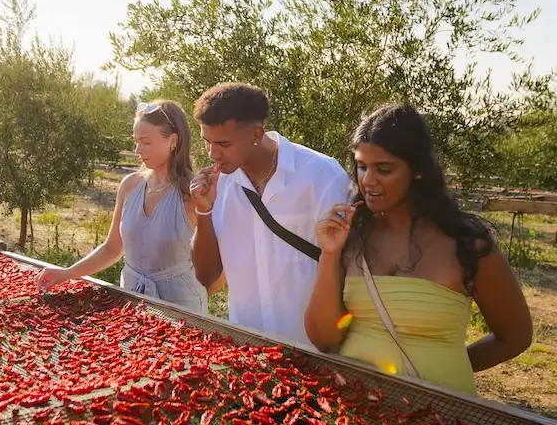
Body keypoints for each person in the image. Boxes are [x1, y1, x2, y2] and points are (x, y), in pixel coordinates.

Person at [303, 103, 532, 393]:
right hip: (355, 415)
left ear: (419, 171)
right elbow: (323, 338)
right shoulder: (352, 238)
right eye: (362, 166)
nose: (368, 180)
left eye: (384, 169)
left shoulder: (467, 243)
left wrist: (445, 370)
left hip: (437, 419)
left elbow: (515, 336)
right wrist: (330, 253)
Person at [189, 82, 351, 346]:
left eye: (223, 143)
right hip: (248, 353)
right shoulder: (220, 186)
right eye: (207, 142)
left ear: (256, 134)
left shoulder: (322, 176)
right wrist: (204, 211)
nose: (212, 153)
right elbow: (206, 276)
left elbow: (349, 268)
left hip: (318, 353)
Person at [37, 99, 208, 312]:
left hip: (182, 308)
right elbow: (113, 247)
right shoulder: (130, 186)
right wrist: (67, 273)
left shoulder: (193, 194)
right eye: (136, 141)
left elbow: (214, 261)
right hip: (132, 300)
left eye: (146, 141)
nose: (138, 149)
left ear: (172, 140)